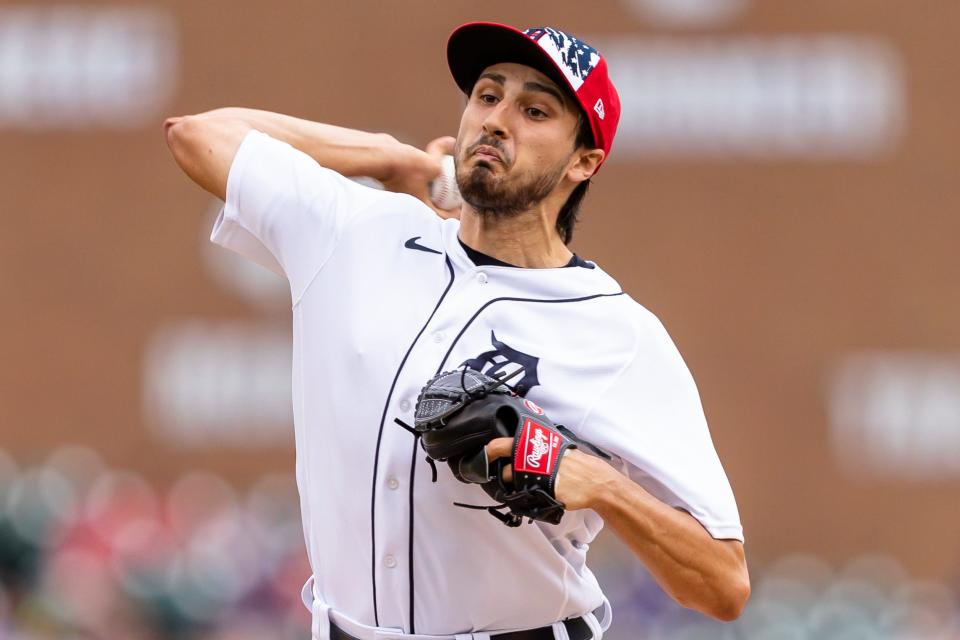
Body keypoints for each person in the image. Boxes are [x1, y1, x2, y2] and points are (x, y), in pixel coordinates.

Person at [164, 21, 749, 640]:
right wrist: (392, 157)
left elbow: (722, 584)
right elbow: (200, 136)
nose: (497, 120)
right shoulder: (359, 233)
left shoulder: (617, 335)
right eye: (487, 96)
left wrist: (602, 485)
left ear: (586, 160)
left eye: (535, 110)